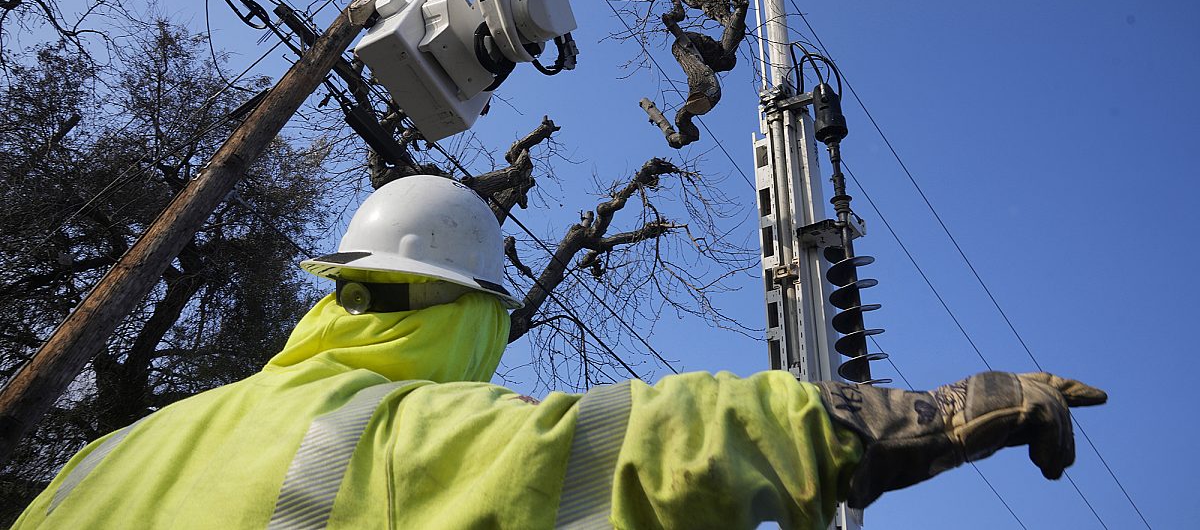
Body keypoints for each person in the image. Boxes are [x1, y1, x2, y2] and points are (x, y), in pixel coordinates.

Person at [13, 175, 1106, 529]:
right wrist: (917, 416)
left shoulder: (112, 456)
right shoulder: (392, 438)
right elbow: (645, 447)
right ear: (475, 314)